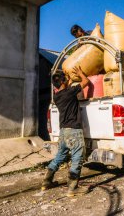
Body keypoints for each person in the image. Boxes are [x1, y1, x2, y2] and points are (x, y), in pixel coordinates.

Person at [41, 66, 89, 197]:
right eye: (66, 79)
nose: (68, 80)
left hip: (64, 131)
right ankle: (72, 188)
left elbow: (67, 87)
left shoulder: (57, 97)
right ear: (62, 82)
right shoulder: (70, 92)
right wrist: (80, 73)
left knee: (59, 157)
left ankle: (46, 182)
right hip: (73, 130)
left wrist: (67, 79)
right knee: (77, 158)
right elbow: (86, 82)